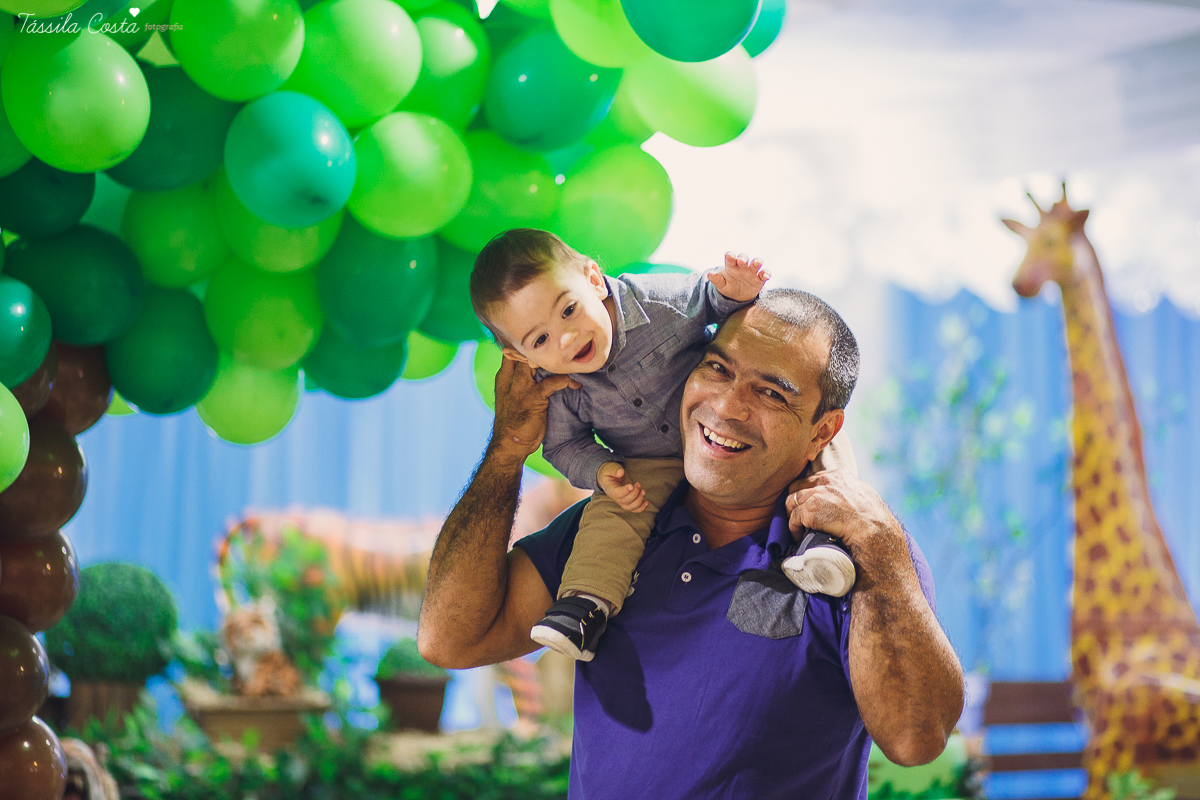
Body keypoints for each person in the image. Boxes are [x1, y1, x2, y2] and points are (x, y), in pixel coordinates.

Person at [419, 289, 964, 798]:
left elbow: (916, 738)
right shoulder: (613, 528)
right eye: (717, 369)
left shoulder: (852, 557)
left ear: (822, 432)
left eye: (772, 393)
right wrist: (507, 450)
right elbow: (451, 640)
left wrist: (881, 548)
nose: (726, 406)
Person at [468, 229, 856, 661]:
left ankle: (828, 539)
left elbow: (707, 298)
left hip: (709, 422)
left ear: (594, 280)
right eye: (540, 340)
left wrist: (735, 288)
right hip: (646, 459)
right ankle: (584, 605)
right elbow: (563, 445)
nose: (566, 338)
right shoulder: (556, 386)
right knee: (614, 511)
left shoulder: (653, 302)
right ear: (520, 356)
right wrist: (600, 469)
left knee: (818, 442)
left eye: (569, 310)